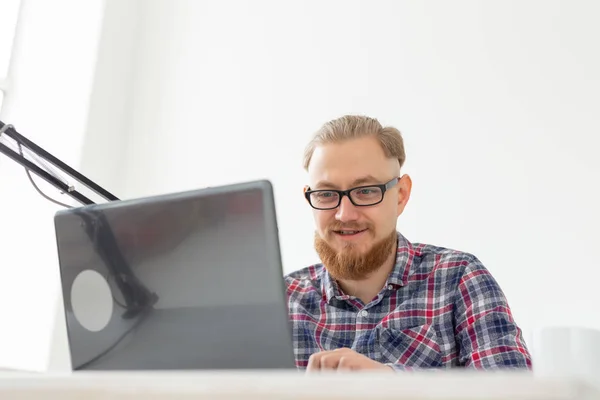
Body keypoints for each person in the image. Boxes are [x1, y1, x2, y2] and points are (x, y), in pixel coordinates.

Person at [284, 115, 532, 372]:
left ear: (401, 195)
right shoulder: (283, 301)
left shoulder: (459, 277)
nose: (345, 214)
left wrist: (391, 382)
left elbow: (514, 391)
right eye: (326, 194)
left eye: (366, 191)